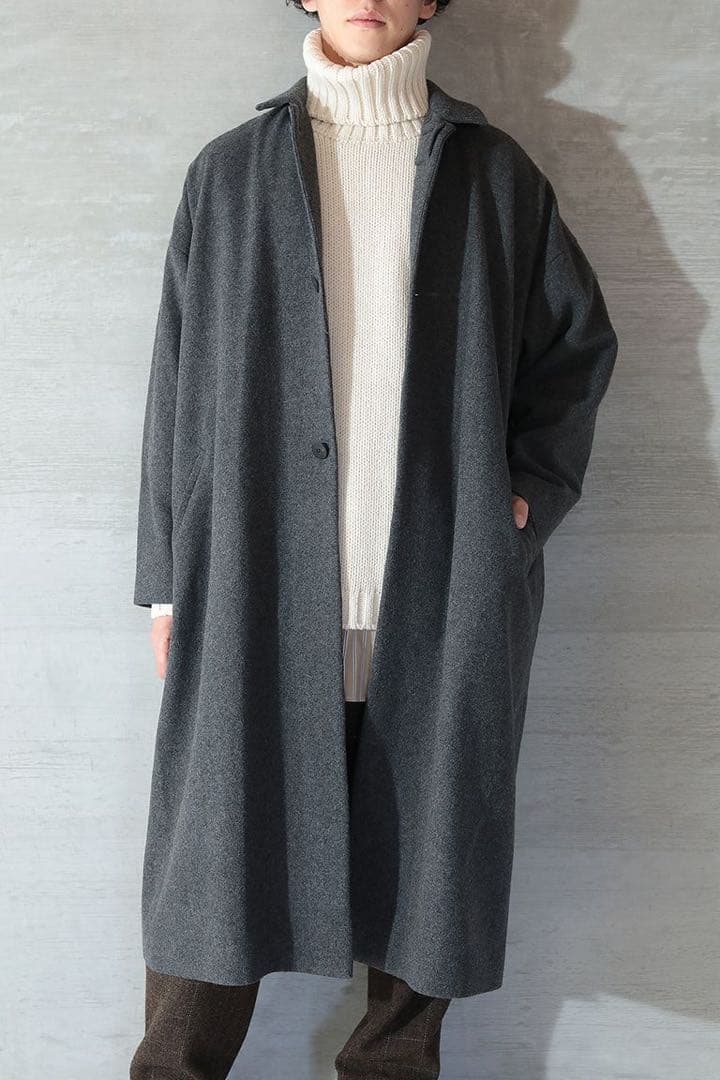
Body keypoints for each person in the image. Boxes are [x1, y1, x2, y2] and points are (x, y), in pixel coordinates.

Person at [129, 1, 619, 1077]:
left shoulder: (494, 175)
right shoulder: (230, 174)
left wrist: (526, 493)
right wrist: (167, 583)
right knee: (215, 870)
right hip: (253, 584)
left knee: (429, 874)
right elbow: (177, 382)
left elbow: (576, 348)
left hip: (442, 589)